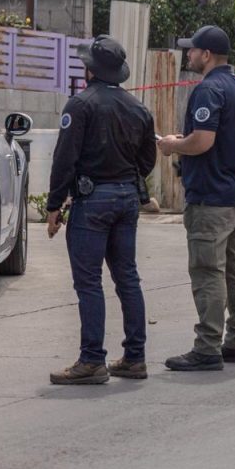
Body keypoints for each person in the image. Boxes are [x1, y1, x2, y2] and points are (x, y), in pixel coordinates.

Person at [47, 35, 157, 385]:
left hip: (92, 201)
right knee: (127, 278)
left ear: (89, 68)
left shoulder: (80, 106)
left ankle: (93, 360)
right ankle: (135, 357)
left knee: (89, 283)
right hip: (126, 198)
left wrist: (54, 205)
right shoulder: (139, 108)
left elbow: (65, 159)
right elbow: (147, 160)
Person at [157, 25, 235, 371]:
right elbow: (218, 136)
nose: (189, 55)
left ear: (207, 55)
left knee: (208, 270)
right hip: (233, 194)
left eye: (193, 50)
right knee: (234, 269)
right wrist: (188, 138)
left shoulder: (208, 89)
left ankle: (208, 346)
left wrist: (172, 145)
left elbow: (203, 142)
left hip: (210, 197)